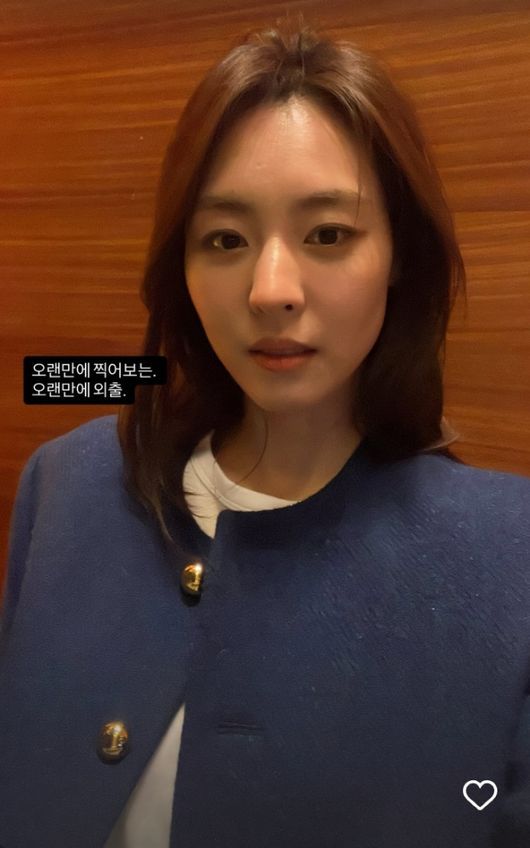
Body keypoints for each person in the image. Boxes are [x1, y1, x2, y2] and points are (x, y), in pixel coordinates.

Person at [0, 16, 529, 848]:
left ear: (400, 255)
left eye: (328, 234)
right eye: (225, 239)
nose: (270, 289)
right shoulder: (68, 485)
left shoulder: (507, 557)